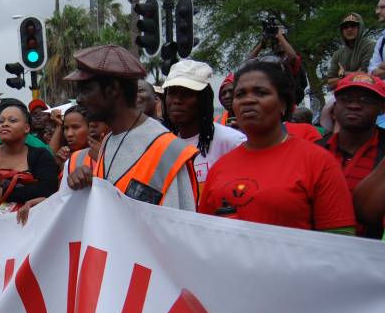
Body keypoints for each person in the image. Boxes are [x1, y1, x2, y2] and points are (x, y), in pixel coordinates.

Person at [199, 60, 355, 233]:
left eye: (261, 92)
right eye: (240, 94)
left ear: (284, 104)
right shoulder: (220, 168)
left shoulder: (318, 162)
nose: (248, 100)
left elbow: (341, 242)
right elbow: (205, 237)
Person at [66, 45, 199, 211]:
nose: (79, 99)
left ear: (112, 90)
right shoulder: (109, 140)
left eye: (85, 90)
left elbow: (179, 228)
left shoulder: (168, 150)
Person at [316, 73, 385, 238]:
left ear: (382, 108)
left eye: (365, 100)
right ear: (335, 106)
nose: (354, 105)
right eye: (346, 98)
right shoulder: (314, 151)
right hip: (316, 252)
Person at [0, 101, 58, 218]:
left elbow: (48, 189)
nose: (5, 124)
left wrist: (3, 193)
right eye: (1, 121)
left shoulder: (40, 155)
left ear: (26, 128)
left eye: (12, 121)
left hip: (29, 224)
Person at [162, 60, 246, 189]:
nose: (177, 100)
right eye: (172, 93)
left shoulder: (232, 142)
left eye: (186, 93)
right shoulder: (163, 145)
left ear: (203, 99)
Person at [326, 13, 375, 89]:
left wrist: (343, 74)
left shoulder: (369, 46)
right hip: (343, 94)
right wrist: (356, 74)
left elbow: (367, 75)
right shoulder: (337, 54)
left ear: (360, 28)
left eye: (353, 26)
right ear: (342, 31)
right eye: (345, 27)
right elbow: (330, 82)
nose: (349, 29)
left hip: (366, 92)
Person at [367, 0, 385, 78]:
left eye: (382, 7)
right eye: (377, 8)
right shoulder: (381, 40)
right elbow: (372, 72)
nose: (377, 12)